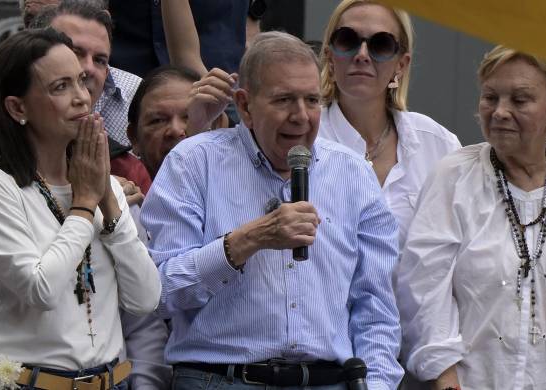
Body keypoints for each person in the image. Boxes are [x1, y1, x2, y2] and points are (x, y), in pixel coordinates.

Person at [140, 31, 404, 389]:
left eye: (311, 100)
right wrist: (246, 241)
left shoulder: (353, 174)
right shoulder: (192, 163)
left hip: (327, 380)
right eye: (283, 100)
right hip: (219, 379)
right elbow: (161, 294)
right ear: (245, 106)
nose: (301, 116)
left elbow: (376, 309)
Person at [395, 45, 546, 389]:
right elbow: (423, 291)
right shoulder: (453, 175)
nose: (499, 112)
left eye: (520, 99)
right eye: (490, 97)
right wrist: (445, 376)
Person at [0, 28, 160, 389]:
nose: (83, 98)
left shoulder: (105, 186)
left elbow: (145, 299)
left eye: (82, 81)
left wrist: (107, 201)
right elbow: (41, 291)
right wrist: (84, 205)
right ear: (17, 107)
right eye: (60, 87)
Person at [317, 0, 546, 250]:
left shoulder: (438, 144)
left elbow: (499, 185)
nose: (362, 54)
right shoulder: (300, 139)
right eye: (347, 40)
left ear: (401, 64)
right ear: (330, 55)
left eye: (381, 44)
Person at [0, 0, 141, 148]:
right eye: (75, 52)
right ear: (16, 107)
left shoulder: (137, 95)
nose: (88, 69)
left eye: (100, 60)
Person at [126, 64, 234, 178]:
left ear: (217, 126)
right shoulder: (117, 192)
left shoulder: (239, 186)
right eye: (158, 120)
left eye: (190, 116)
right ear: (134, 137)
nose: (176, 130)